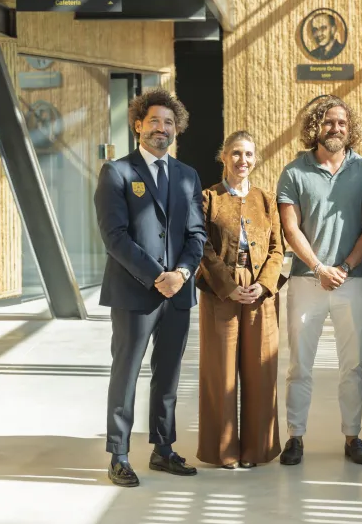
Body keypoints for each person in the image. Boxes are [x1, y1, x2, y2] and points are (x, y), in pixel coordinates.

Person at [94, 89, 206, 487]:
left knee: (169, 373)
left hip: (177, 293)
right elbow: (114, 236)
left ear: (177, 130)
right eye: (155, 121)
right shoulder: (117, 172)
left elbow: (197, 234)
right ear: (138, 125)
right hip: (134, 293)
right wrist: (157, 274)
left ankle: (163, 449)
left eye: (169, 123)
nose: (162, 128)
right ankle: (119, 454)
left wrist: (181, 274)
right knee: (126, 372)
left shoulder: (188, 176)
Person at [277, 96, 362, 466]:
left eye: (341, 123)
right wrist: (320, 268)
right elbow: (290, 228)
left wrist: (345, 268)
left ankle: (353, 436)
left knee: (352, 366)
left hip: (353, 281)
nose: (335, 128)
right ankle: (295, 437)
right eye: (328, 122)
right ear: (315, 127)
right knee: (299, 365)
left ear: (349, 129)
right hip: (307, 282)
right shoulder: (293, 172)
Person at [196, 131, 284, 469]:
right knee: (221, 371)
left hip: (260, 293)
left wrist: (263, 285)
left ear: (256, 159)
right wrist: (227, 285)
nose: (242, 160)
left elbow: (278, 248)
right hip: (221, 291)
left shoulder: (266, 199)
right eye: (235, 153)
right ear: (223, 157)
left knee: (261, 368)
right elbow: (201, 246)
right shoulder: (208, 198)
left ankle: (256, 449)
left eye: (248, 154)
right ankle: (224, 450)